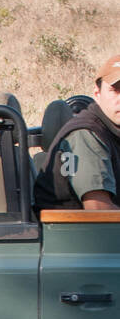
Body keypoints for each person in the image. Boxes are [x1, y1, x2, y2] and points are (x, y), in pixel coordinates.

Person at [34, 55, 120, 213]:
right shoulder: (86, 135)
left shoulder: (111, 130)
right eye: (115, 90)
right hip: (75, 234)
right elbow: (99, 210)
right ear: (97, 94)